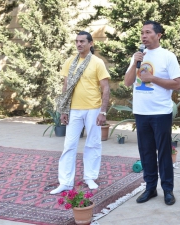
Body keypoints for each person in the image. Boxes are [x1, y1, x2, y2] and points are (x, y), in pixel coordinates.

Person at [124, 20, 180, 205]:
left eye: (148, 32)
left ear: (158, 35)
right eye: (142, 32)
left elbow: (177, 84)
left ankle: (168, 190)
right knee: (146, 152)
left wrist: (153, 78)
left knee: (164, 152)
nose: (143, 35)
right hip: (141, 112)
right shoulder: (138, 56)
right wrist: (135, 63)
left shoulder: (168, 56)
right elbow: (127, 82)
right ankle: (150, 188)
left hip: (161, 112)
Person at [50, 31, 110, 194]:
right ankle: (66, 182)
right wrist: (63, 109)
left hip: (93, 108)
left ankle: (90, 177)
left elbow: (105, 88)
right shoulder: (70, 62)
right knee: (69, 145)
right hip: (74, 110)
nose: (79, 44)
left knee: (93, 143)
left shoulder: (98, 62)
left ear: (91, 44)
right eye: (76, 41)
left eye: (82, 41)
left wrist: (102, 111)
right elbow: (66, 87)